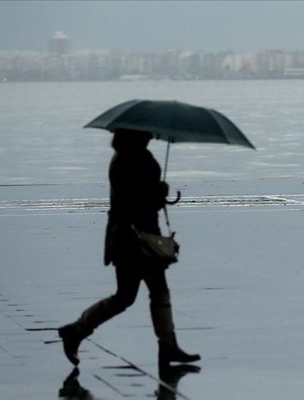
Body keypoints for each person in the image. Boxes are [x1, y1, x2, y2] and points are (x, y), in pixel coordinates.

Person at [58, 129, 200, 368]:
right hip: (133, 239)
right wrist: (158, 193)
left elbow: (137, 198)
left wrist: (156, 193)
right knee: (137, 294)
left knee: (139, 293)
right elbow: (135, 201)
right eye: (147, 134)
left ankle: (166, 345)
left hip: (131, 237)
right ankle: (78, 330)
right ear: (134, 136)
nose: (152, 137)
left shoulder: (127, 157)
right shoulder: (130, 160)